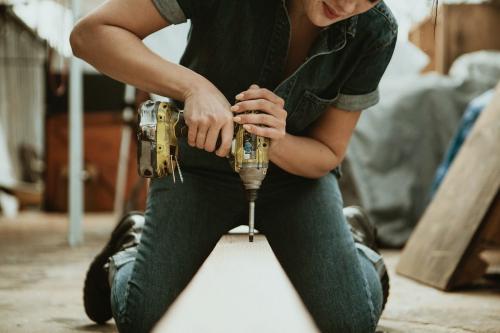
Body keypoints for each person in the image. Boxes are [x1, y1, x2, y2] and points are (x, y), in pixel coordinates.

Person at [71, 0, 397, 332]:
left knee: (350, 324)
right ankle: (131, 246)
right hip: (196, 168)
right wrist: (194, 86)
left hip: (294, 179)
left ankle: (355, 244)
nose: (346, 4)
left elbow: (328, 152)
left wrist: (275, 139)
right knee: (145, 321)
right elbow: (90, 35)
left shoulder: (376, 30)